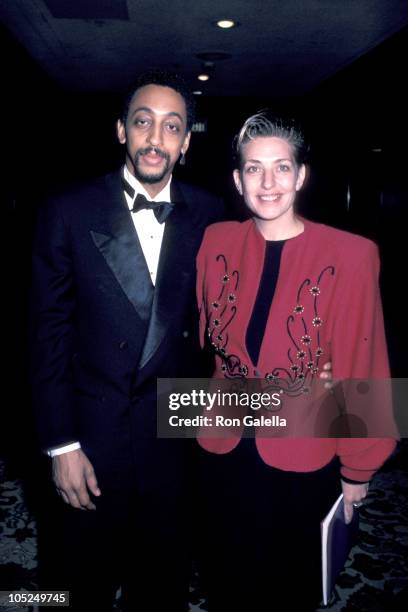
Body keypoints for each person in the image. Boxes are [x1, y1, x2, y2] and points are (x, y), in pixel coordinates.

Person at [30, 69, 224, 611]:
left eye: (171, 127)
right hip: (92, 438)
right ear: (122, 131)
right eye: (143, 122)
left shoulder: (211, 213)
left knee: (161, 586)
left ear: (186, 142)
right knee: (75, 588)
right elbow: (46, 334)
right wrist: (60, 445)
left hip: (174, 441)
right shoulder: (68, 209)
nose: (155, 139)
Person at [195, 112, 396, 611]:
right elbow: (209, 349)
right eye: (254, 168)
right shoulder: (214, 241)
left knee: (288, 585)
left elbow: (364, 366)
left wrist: (358, 470)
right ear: (237, 178)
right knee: (226, 579)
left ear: (301, 175)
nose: (268, 183)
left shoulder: (351, 255)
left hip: (303, 451)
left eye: (282, 168)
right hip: (222, 448)